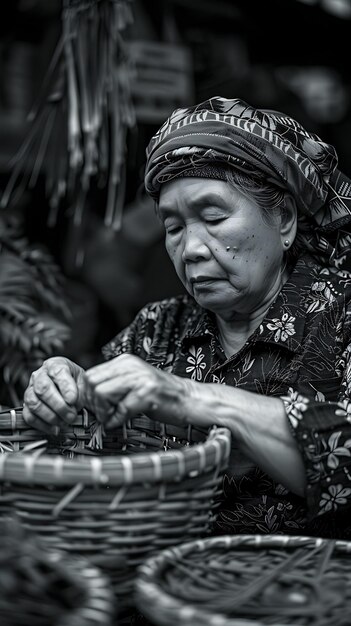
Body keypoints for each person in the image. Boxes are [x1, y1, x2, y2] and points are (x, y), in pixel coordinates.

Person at [22, 96, 351, 539]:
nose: (191, 249)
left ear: (285, 219)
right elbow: (97, 437)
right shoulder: (158, 327)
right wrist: (66, 388)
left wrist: (192, 397)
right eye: (173, 228)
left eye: (213, 217)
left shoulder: (341, 316)